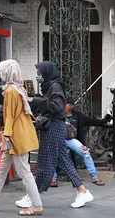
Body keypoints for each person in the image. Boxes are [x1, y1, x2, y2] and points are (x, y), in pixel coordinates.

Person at [15, 61, 93, 209]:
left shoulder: (55, 86)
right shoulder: (51, 86)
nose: (38, 76)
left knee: (44, 162)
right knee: (63, 160)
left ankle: (33, 195)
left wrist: (35, 100)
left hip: (53, 127)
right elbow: (50, 104)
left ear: (46, 72)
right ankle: (82, 191)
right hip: (55, 127)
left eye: (39, 73)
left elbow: (57, 106)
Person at [0, 59, 43, 216]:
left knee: (24, 172)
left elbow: (9, 117)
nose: (0, 73)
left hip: (15, 137)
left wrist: (6, 138)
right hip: (20, 135)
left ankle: (37, 205)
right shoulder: (19, 89)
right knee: (4, 169)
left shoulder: (10, 91)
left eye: (2, 70)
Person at [51, 97, 106, 187]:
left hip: (71, 139)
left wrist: (104, 122)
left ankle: (94, 177)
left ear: (71, 106)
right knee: (52, 154)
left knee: (86, 152)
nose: (62, 106)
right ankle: (53, 178)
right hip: (58, 139)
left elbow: (91, 121)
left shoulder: (77, 115)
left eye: (65, 104)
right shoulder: (57, 114)